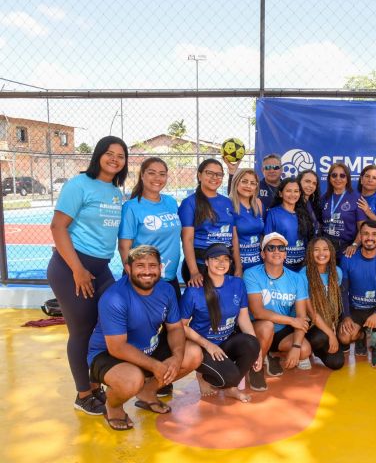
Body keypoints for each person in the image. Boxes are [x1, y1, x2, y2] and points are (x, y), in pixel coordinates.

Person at [48, 135, 128, 416]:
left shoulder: (117, 192)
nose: (114, 159)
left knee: (108, 323)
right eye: (109, 153)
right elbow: (58, 227)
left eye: (120, 155)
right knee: (81, 330)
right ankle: (83, 393)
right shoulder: (79, 184)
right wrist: (78, 270)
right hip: (71, 267)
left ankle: (96, 383)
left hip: (100, 268)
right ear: (98, 155)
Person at [86, 245, 202, 430]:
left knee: (193, 353)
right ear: (128, 268)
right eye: (140, 266)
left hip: (149, 347)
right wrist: (156, 366)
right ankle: (113, 406)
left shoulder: (166, 290)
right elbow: (117, 347)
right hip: (109, 353)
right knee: (132, 379)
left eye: (152, 265)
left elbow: (174, 328)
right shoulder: (114, 297)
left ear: (160, 268)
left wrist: (177, 357)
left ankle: (148, 392)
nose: (147, 271)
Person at [180, 243, 261, 402]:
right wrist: (207, 345)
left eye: (225, 259)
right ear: (207, 262)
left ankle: (231, 388)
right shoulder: (194, 290)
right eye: (215, 259)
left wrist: (257, 350)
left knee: (253, 343)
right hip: (203, 346)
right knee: (229, 376)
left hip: (225, 343)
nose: (221, 263)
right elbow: (180, 326)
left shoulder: (237, 284)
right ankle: (202, 375)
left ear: (230, 263)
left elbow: (243, 318)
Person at [244, 232, 313, 391]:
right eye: (271, 248)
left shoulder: (297, 279)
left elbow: (302, 317)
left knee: (304, 350)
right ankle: (256, 368)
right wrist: (291, 320)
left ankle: (271, 355)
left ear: (285, 253)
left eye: (281, 248)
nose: (277, 251)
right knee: (267, 325)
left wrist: (296, 347)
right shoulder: (251, 274)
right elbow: (258, 312)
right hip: (258, 330)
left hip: (281, 331)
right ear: (263, 253)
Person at [338, 220, 376, 367]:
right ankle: (361, 335)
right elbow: (343, 291)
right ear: (360, 236)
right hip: (356, 309)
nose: (369, 238)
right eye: (365, 234)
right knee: (344, 338)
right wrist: (346, 316)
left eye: (374, 234)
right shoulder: (348, 259)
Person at [119, 157, 181, 299]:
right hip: (143, 278)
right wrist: (132, 274)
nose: (157, 178)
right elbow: (124, 246)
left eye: (162, 174)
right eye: (152, 173)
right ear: (142, 175)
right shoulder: (131, 207)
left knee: (174, 321)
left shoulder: (170, 202)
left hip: (169, 277)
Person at [179, 159, 240, 286]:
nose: (214, 177)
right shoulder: (189, 203)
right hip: (201, 265)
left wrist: (238, 266)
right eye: (209, 173)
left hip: (225, 265)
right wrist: (194, 271)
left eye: (219, 174)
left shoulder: (227, 202)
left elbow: (233, 237)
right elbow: (187, 239)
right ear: (199, 175)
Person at [300, 237, 346, 370]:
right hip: (309, 323)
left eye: (325, 249)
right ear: (310, 253)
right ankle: (305, 349)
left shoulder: (337, 272)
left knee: (337, 363)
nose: (321, 253)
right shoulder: (304, 274)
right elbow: (310, 312)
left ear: (331, 252)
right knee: (320, 337)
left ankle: (317, 351)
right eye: (316, 250)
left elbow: (333, 302)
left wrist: (332, 326)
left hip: (325, 321)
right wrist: (331, 335)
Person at [264, 177, 316, 272]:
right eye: (288, 191)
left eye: (296, 191)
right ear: (280, 193)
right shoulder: (273, 213)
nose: (293, 194)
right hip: (282, 267)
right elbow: (268, 241)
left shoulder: (304, 213)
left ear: (300, 194)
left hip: (303, 267)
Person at [322, 163, 367, 257]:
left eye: (342, 175)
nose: (338, 178)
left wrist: (354, 245)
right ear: (329, 178)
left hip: (345, 248)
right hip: (326, 248)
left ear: (347, 179)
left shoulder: (356, 198)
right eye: (334, 175)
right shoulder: (324, 198)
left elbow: (362, 228)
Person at [230, 169, 265, 272]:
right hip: (237, 265)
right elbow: (232, 240)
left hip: (258, 264)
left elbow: (262, 235)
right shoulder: (229, 205)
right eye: (244, 181)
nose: (248, 186)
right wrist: (238, 266)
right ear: (236, 182)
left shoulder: (258, 203)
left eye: (253, 183)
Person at [298, 169, 324, 235]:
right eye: (307, 181)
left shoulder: (314, 204)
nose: (311, 186)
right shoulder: (293, 204)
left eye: (314, 183)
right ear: (298, 182)